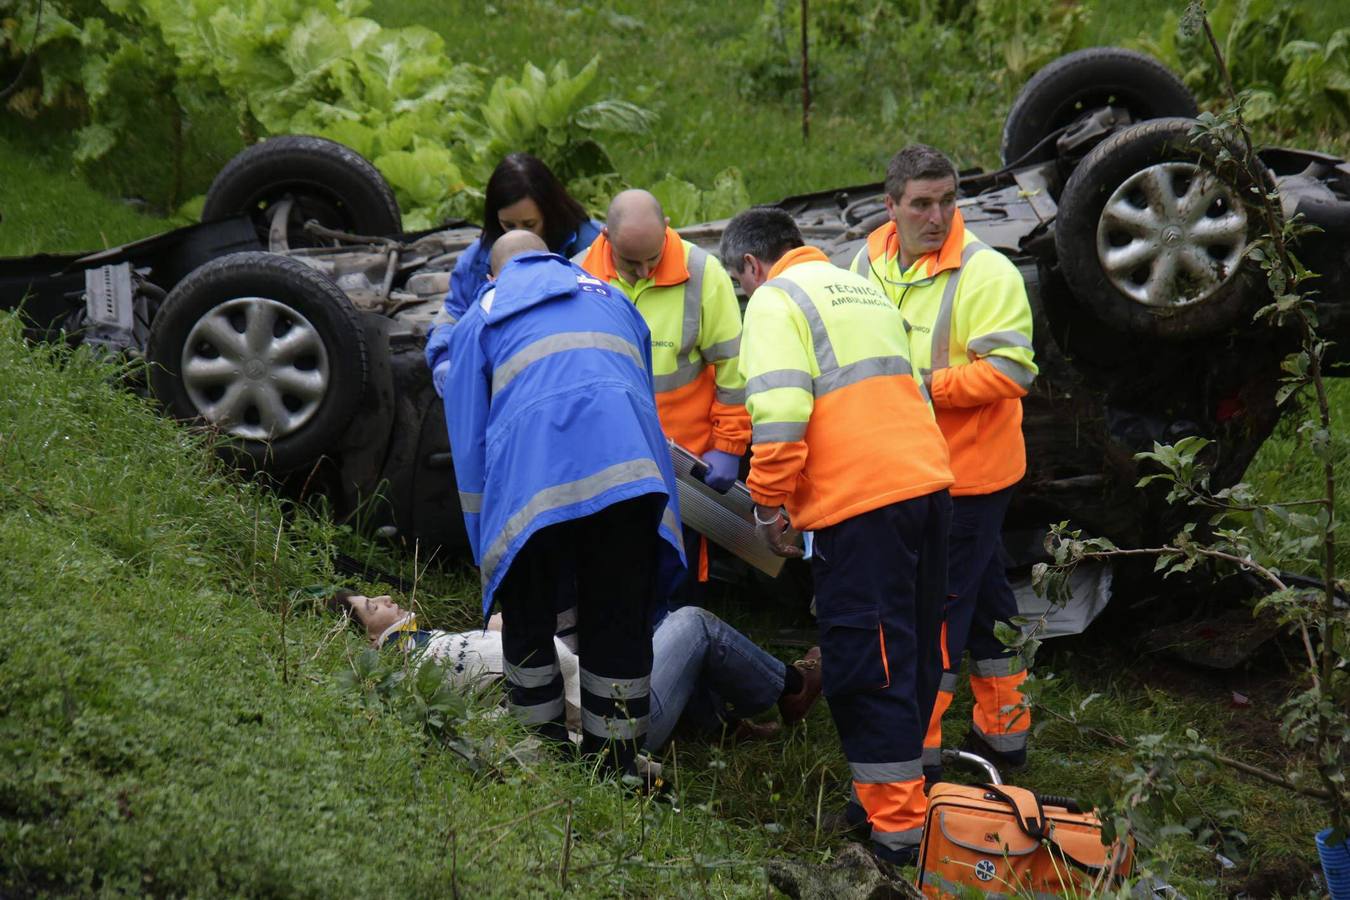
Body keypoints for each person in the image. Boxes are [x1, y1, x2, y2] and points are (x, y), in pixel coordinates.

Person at [723, 206, 955, 865]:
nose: (746, 297)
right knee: (907, 648)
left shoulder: (774, 300)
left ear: (750, 265)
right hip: (926, 487)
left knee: (865, 665)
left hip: (864, 504)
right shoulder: (862, 287)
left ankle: (898, 839)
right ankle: (888, 798)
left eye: (741, 286)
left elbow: (782, 407)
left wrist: (769, 504)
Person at [439, 229, 684, 779]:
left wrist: (489, 553)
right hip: (630, 481)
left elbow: (470, 447)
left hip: (534, 488)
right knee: (618, 622)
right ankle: (615, 766)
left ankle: (544, 760)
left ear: (494, 275)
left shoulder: (482, 316)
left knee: (528, 622)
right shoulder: (612, 297)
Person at [850, 145, 1038, 782]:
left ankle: (914, 760)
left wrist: (926, 386)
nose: (938, 216)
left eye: (948, 201)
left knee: (933, 617)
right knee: (986, 604)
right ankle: (1004, 736)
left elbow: (1012, 371)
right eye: (922, 204)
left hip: (970, 478)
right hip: (911, 470)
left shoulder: (987, 273)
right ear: (892, 206)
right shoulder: (868, 259)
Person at [329, 592, 823, 750]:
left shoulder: (428, 647)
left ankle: (717, 727)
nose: (388, 599)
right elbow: (521, 664)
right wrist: (516, 632)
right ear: (373, 640)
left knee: (642, 615)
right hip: (611, 719)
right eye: (374, 605)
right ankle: (793, 688)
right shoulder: (424, 657)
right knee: (693, 625)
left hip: (597, 711)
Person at [577, 190, 750, 600]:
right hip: (609, 460)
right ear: (605, 237)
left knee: (676, 578)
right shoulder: (578, 275)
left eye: (652, 259)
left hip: (682, 467)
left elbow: (734, 367)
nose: (643, 271)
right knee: (615, 576)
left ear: (668, 225)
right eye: (630, 261)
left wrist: (728, 445)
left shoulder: (703, 273)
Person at [424, 153, 602, 394]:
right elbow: (453, 316)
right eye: (508, 226)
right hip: (505, 386)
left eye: (529, 225)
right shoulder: (478, 260)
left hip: (582, 379)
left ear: (551, 213)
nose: (516, 235)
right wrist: (443, 357)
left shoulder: (593, 247)